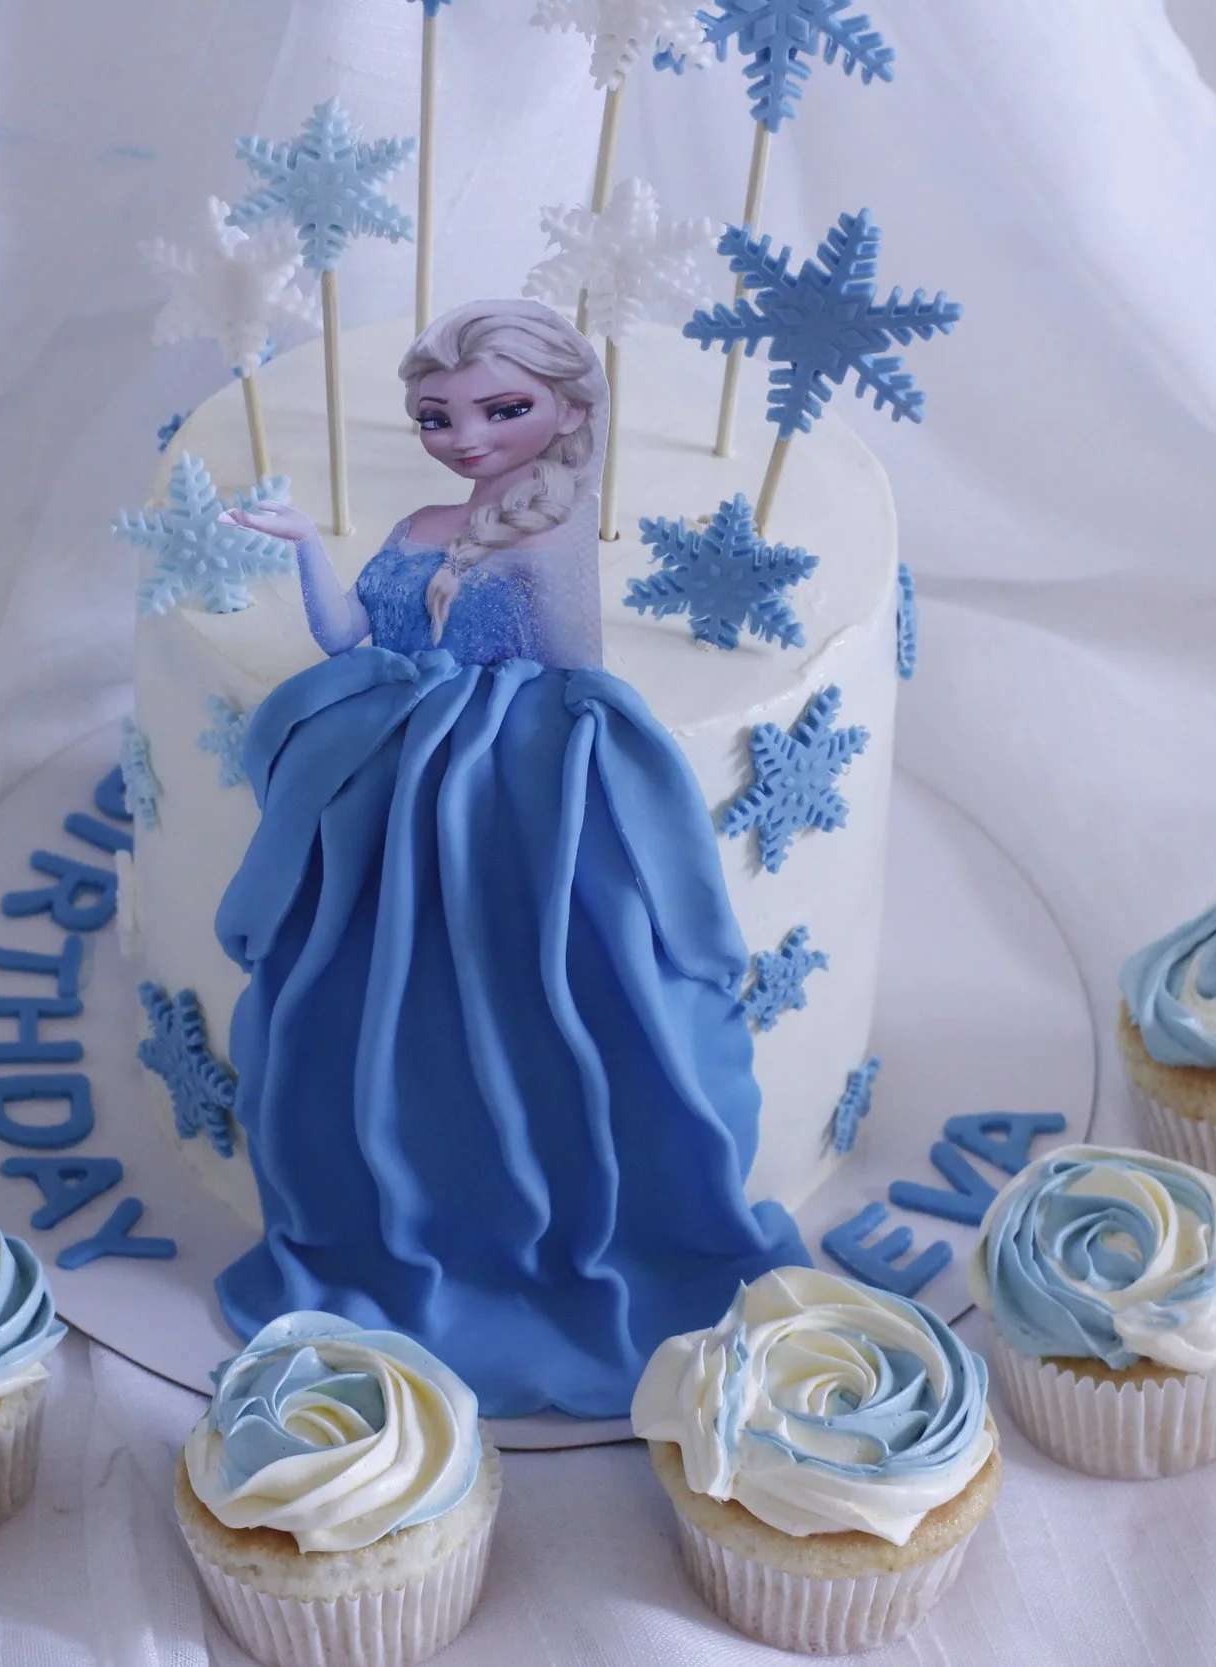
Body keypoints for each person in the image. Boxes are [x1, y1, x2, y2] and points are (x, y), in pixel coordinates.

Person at [213, 299, 805, 1420]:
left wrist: (495, 750)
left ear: (571, 410)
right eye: (437, 414)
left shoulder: (549, 536)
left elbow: (576, 677)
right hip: (382, 764)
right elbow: (353, 641)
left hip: (476, 794)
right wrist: (302, 547)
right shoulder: (426, 521)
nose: (465, 435)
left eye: (502, 408)